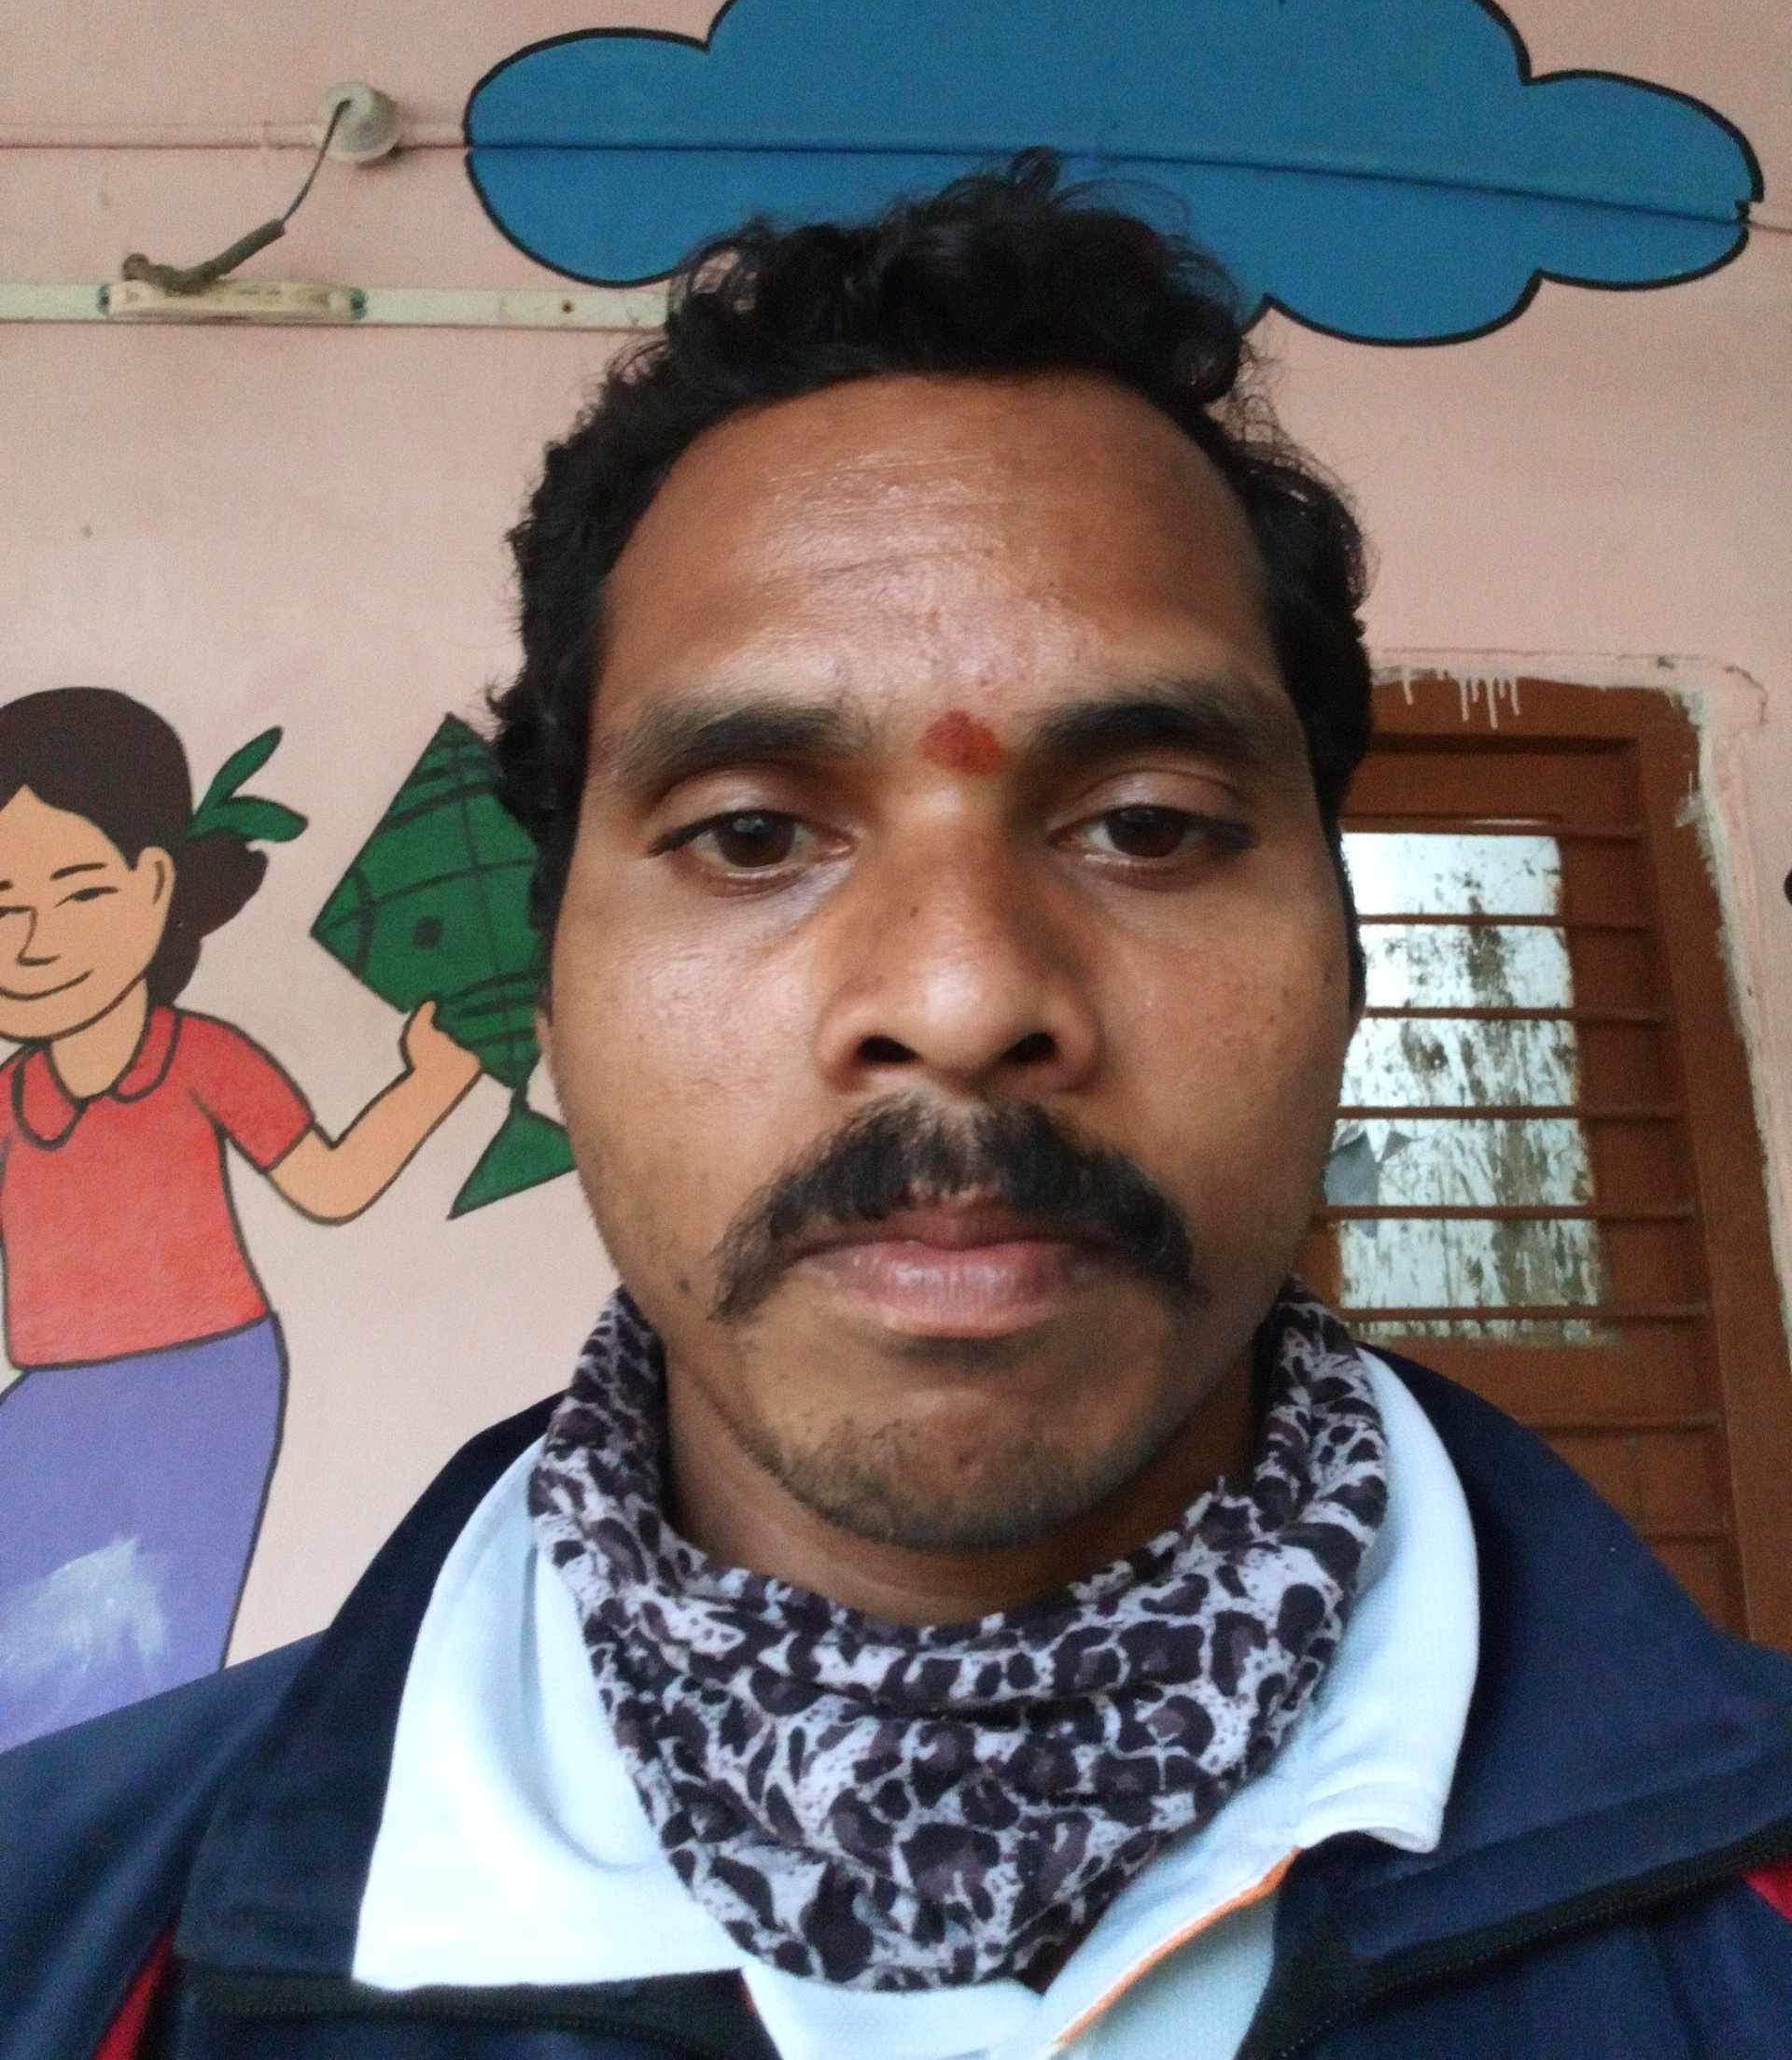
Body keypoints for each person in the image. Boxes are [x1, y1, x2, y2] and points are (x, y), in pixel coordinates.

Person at [7, 157, 1791, 2060]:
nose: (958, 1000)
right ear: (555, 993)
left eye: (1148, 826)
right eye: (751, 834)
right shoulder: (60, 1932)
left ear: (1349, 963)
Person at [0, 691, 481, 1751]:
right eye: (2, 908)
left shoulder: (201, 1057)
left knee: (137, 1658)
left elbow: (330, 1186)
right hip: (53, 1400)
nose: (34, 943)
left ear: (155, 885)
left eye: (79, 894)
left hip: (199, 1385)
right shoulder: (11, 1099)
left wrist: (428, 1086)